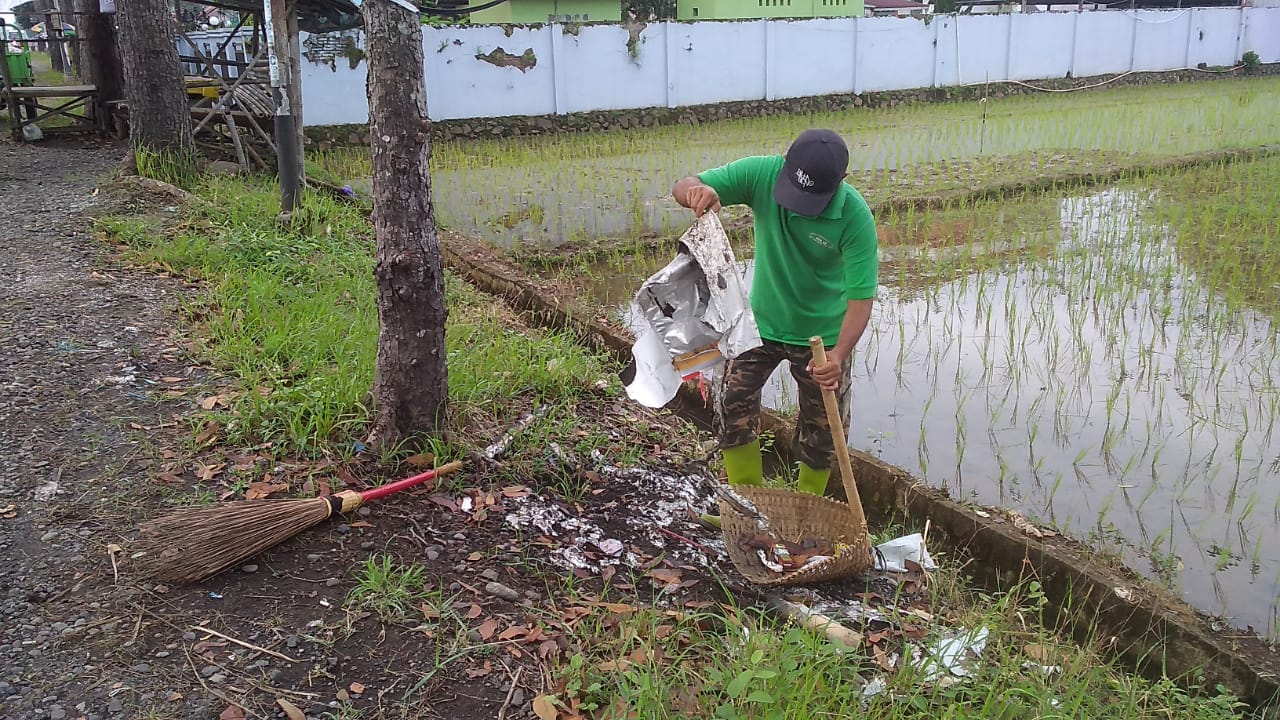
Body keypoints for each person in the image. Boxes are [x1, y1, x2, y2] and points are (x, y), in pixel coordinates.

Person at [671, 129, 878, 522]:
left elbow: (860, 299)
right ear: (786, 167)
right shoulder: (763, 174)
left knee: (823, 434)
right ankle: (746, 511)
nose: (798, 209)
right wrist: (697, 193)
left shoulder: (854, 217)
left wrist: (838, 355)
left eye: (811, 201)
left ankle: (800, 518)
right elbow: (683, 185)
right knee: (732, 405)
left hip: (823, 340)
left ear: (840, 184)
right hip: (759, 325)